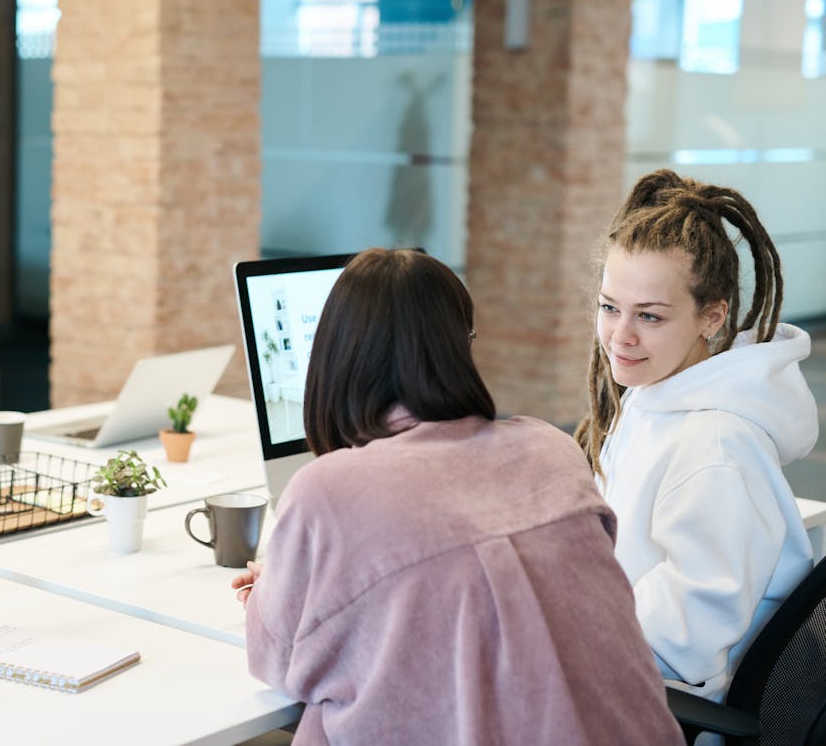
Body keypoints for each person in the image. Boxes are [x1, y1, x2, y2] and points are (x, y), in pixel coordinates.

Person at [231, 248, 681, 744]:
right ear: (459, 347)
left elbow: (276, 659)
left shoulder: (327, 491)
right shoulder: (551, 448)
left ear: (334, 358)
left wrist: (269, 593)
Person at [573, 169, 816, 701]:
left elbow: (684, 637)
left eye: (650, 317)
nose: (621, 336)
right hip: (628, 658)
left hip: (661, 698)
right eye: (609, 307)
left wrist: (563, 638)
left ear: (712, 317)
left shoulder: (717, 446)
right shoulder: (658, 391)